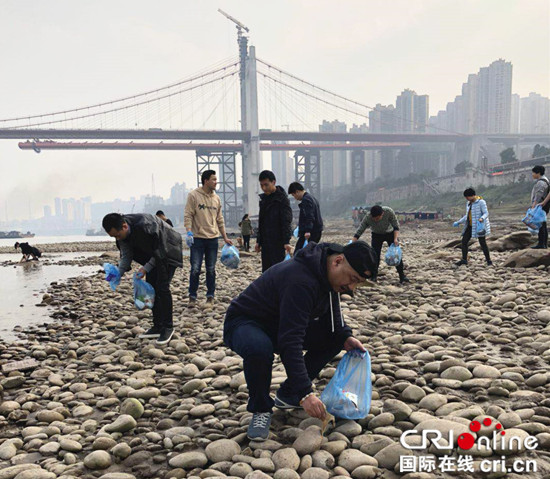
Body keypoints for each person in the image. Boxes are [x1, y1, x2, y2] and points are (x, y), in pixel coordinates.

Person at [224, 240, 377, 440]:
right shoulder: (301, 280)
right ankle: (261, 409)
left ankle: (288, 394)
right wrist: (306, 393)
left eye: (357, 282)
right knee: (259, 349)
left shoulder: (329, 275)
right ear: (337, 261)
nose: (352, 287)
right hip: (246, 322)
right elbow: (290, 341)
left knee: (335, 338)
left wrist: (345, 337)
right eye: (352, 279)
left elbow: (333, 319)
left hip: (278, 323)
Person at [102, 212, 183, 345]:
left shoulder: (147, 226)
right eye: (114, 237)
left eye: (117, 235)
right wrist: (117, 273)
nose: (117, 238)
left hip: (169, 249)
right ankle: (158, 326)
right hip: (154, 254)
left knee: (162, 288)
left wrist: (146, 268)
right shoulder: (122, 235)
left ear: (124, 226)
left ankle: (168, 327)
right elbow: (126, 256)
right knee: (151, 287)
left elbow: (160, 251)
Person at [184, 170, 233, 307]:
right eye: (214, 179)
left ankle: (210, 296)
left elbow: (220, 219)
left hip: (213, 238)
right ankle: (192, 297)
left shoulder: (216, 198)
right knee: (195, 268)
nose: (216, 182)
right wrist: (189, 232)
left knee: (211, 269)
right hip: (198, 238)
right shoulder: (193, 195)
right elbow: (188, 215)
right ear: (206, 181)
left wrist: (225, 237)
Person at [352, 205, 409, 284]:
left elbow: (396, 226)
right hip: (376, 235)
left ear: (382, 214)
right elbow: (360, 230)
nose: (376, 220)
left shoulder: (389, 212)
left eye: (377, 218)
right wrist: (352, 242)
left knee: (396, 255)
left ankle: (402, 276)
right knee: (375, 256)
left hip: (390, 233)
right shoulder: (368, 217)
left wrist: (395, 239)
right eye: (374, 218)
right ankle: (374, 276)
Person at [255, 170, 293, 272]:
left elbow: (286, 221)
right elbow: (261, 221)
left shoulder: (282, 199)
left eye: (266, 185)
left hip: (278, 241)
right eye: (261, 185)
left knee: (278, 270)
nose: (264, 188)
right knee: (266, 270)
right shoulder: (263, 200)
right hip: (266, 242)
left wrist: (286, 241)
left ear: (273, 182)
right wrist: (259, 241)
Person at [453, 188, 493, 266]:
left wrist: (482, 218)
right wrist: (458, 222)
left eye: (468, 197)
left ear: (473, 195)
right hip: (470, 226)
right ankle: (464, 260)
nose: (467, 198)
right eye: (466, 197)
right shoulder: (468, 203)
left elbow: (486, 213)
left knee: (482, 243)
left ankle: (489, 261)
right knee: (464, 242)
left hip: (479, 226)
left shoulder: (481, 202)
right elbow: (467, 216)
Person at [288, 182, 323, 254]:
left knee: (298, 254)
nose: (295, 198)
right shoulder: (312, 198)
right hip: (316, 231)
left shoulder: (306, 200)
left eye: (293, 195)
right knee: (309, 253)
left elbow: (309, 216)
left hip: (310, 232)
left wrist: (307, 230)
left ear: (297, 192)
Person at [530, 165, 550, 249]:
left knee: (540, 225)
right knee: (543, 224)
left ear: (538, 173)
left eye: (533, 173)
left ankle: (541, 244)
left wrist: (533, 206)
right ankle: (543, 243)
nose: (532, 174)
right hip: (544, 205)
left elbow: (538, 196)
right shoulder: (546, 180)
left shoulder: (541, 182)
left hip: (540, 205)